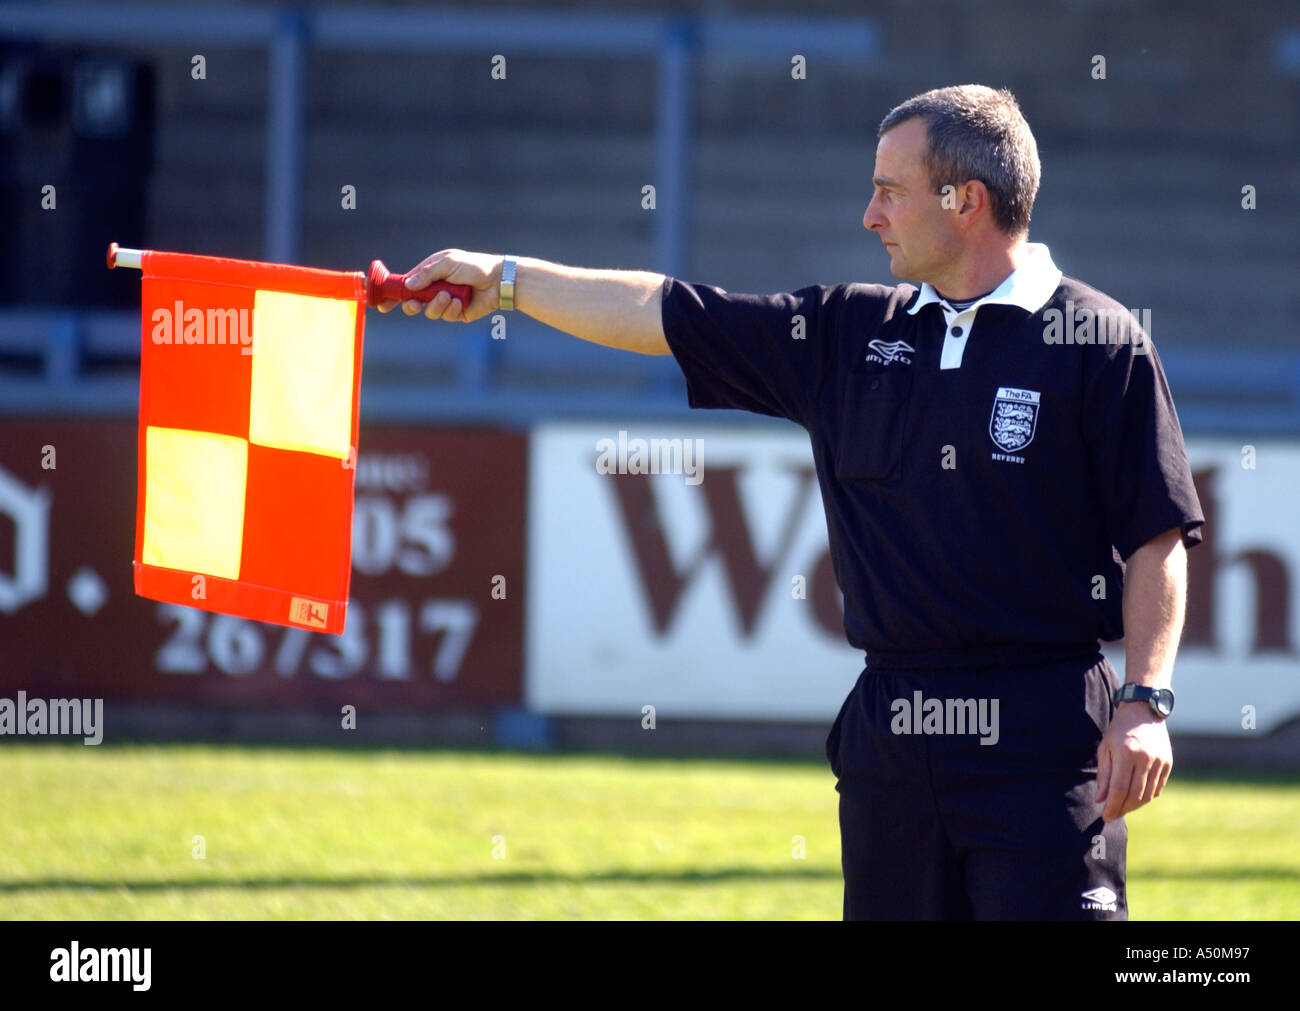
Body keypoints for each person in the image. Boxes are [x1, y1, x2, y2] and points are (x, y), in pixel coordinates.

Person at [378, 84, 1204, 920]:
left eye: (890, 189)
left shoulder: (1098, 342)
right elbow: (662, 311)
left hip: (1045, 739)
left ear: (966, 202)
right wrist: (508, 283)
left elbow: (1157, 539)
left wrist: (1145, 703)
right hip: (891, 735)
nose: (869, 215)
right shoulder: (845, 332)